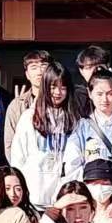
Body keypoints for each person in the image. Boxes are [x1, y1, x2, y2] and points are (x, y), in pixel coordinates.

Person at [9, 59, 82, 208]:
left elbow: (76, 162)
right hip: (33, 198)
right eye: (53, 87)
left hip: (64, 200)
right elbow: (18, 158)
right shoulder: (29, 117)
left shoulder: (76, 121)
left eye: (63, 87)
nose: (58, 92)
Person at [2, 49, 51, 146]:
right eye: (34, 67)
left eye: (44, 66)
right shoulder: (17, 105)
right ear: (27, 75)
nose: (40, 72)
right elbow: (10, 142)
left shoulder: (61, 99)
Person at [37, 181, 112, 223]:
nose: (78, 215)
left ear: (92, 207)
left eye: (83, 207)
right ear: (62, 211)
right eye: (70, 209)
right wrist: (54, 209)